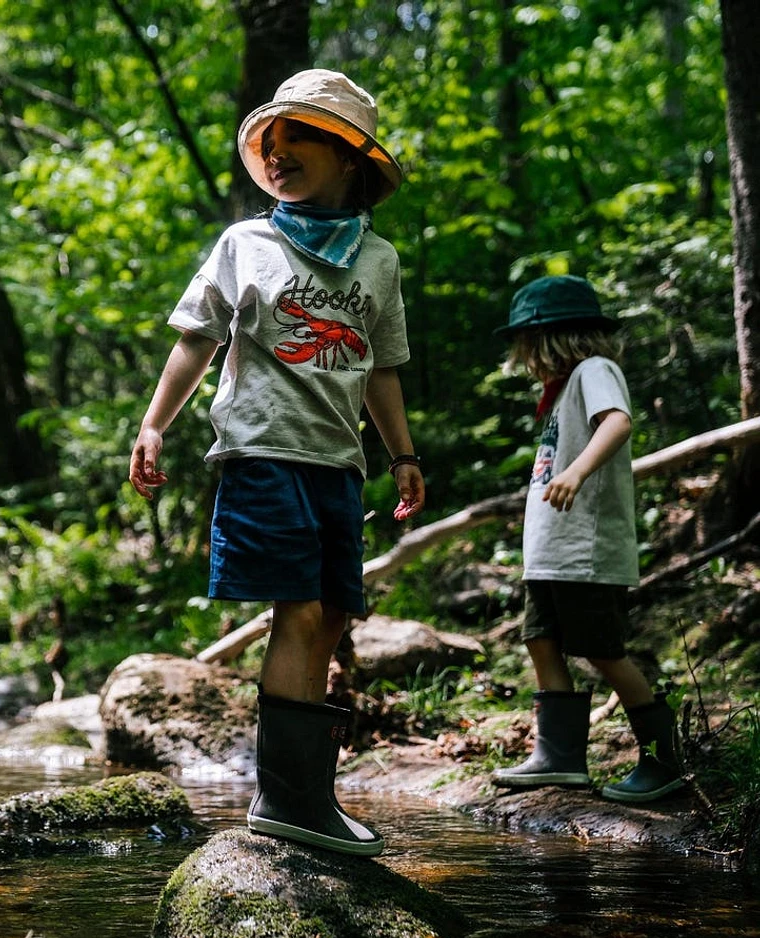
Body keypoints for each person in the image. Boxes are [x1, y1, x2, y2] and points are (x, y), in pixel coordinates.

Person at [129, 68, 425, 855]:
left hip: (338, 460)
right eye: (272, 141)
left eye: (303, 137)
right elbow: (197, 337)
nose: (280, 151)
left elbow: (381, 366)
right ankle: (289, 798)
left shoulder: (379, 261)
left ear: (351, 158)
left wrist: (401, 453)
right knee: (296, 608)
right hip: (263, 451)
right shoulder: (245, 244)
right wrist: (156, 425)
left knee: (331, 612)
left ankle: (302, 792)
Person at [491, 274, 684, 803]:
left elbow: (617, 423)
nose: (523, 357)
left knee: (601, 649)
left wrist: (576, 473)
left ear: (550, 339)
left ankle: (664, 760)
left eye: (526, 345)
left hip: (586, 549)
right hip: (553, 551)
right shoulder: (560, 392)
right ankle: (559, 757)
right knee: (540, 637)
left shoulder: (595, 371)